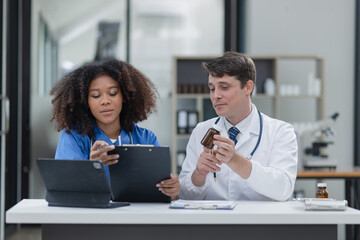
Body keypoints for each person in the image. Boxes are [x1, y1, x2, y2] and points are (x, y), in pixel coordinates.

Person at [50, 58, 180, 200]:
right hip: (90, 219)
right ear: (85, 101)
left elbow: (159, 193)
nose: (105, 101)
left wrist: (172, 191)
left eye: (112, 93)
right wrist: (91, 167)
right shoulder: (74, 137)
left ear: (124, 96)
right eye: (95, 95)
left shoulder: (146, 138)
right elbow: (63, 190)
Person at [179, 52, 298, 201]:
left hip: (259, 223)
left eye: (224, 87)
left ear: (248, 87)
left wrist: (235, 160)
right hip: (214, 222)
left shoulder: (280, 132)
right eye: (212, 89)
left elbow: (283, 189)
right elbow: (184, 197)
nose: (216, 96)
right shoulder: (201, 131)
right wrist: (199, 174)